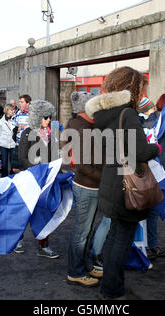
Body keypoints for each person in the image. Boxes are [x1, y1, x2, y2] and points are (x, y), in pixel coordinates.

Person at [85, 66, 161, 299]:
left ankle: (110, 286)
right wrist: (155, 147)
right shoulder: (126, 114)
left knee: (114, 237)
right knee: (121, 240)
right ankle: (112, 290)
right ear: (132, 88)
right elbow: (139, 151)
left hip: (110, 181)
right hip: (125, 186)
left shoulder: (104, 114)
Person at [64, 91, 104, 287]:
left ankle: (84, 266)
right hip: (88, 186)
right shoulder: (82, 129)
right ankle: (76, 271)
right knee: (82, 232)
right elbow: (83, 165)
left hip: (90, 185)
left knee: (85, 231)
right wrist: (105, 178)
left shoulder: (84, 125)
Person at [17, 99, 59, 259]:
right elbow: (22, 157)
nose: (49, 120)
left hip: (47, 180)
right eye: (45, 117)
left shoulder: (51, 133)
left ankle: (43, 245)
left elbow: (55, 156)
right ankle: (17, 240)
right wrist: (35, 170)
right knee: (25, 212)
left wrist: (57, 172)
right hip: (32, 179)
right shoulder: (27, 132)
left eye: (50, 117)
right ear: (37, 117)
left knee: (45, 213)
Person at [137, 96, 165, 260]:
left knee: (153, 210)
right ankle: (144, 244)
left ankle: (152, 243)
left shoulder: (159, 123)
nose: (153, 110)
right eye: (150, 108)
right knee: (144, 210)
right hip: (142, 172)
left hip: (155, 171)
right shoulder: (138, 124)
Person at [0, 104, 17, 177]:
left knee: (13, 163)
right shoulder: (1, 121)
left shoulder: (15, 119)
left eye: (14, 110)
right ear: (7, 110)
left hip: (12, 144)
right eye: (12, 110)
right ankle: (4, 179)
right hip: (3, 144)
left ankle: (12, 178)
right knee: (4, 163)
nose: (13, 111)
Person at [11, 94, 31, 173]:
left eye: (22, 102)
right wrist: (15, 129)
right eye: (19, 102)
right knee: (15, 169)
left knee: (28, 169)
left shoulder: (33, 114)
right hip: (18, 144)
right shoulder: (18, 113)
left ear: (28, 103)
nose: (19, 104)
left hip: (28, 146)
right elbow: (13, 126)